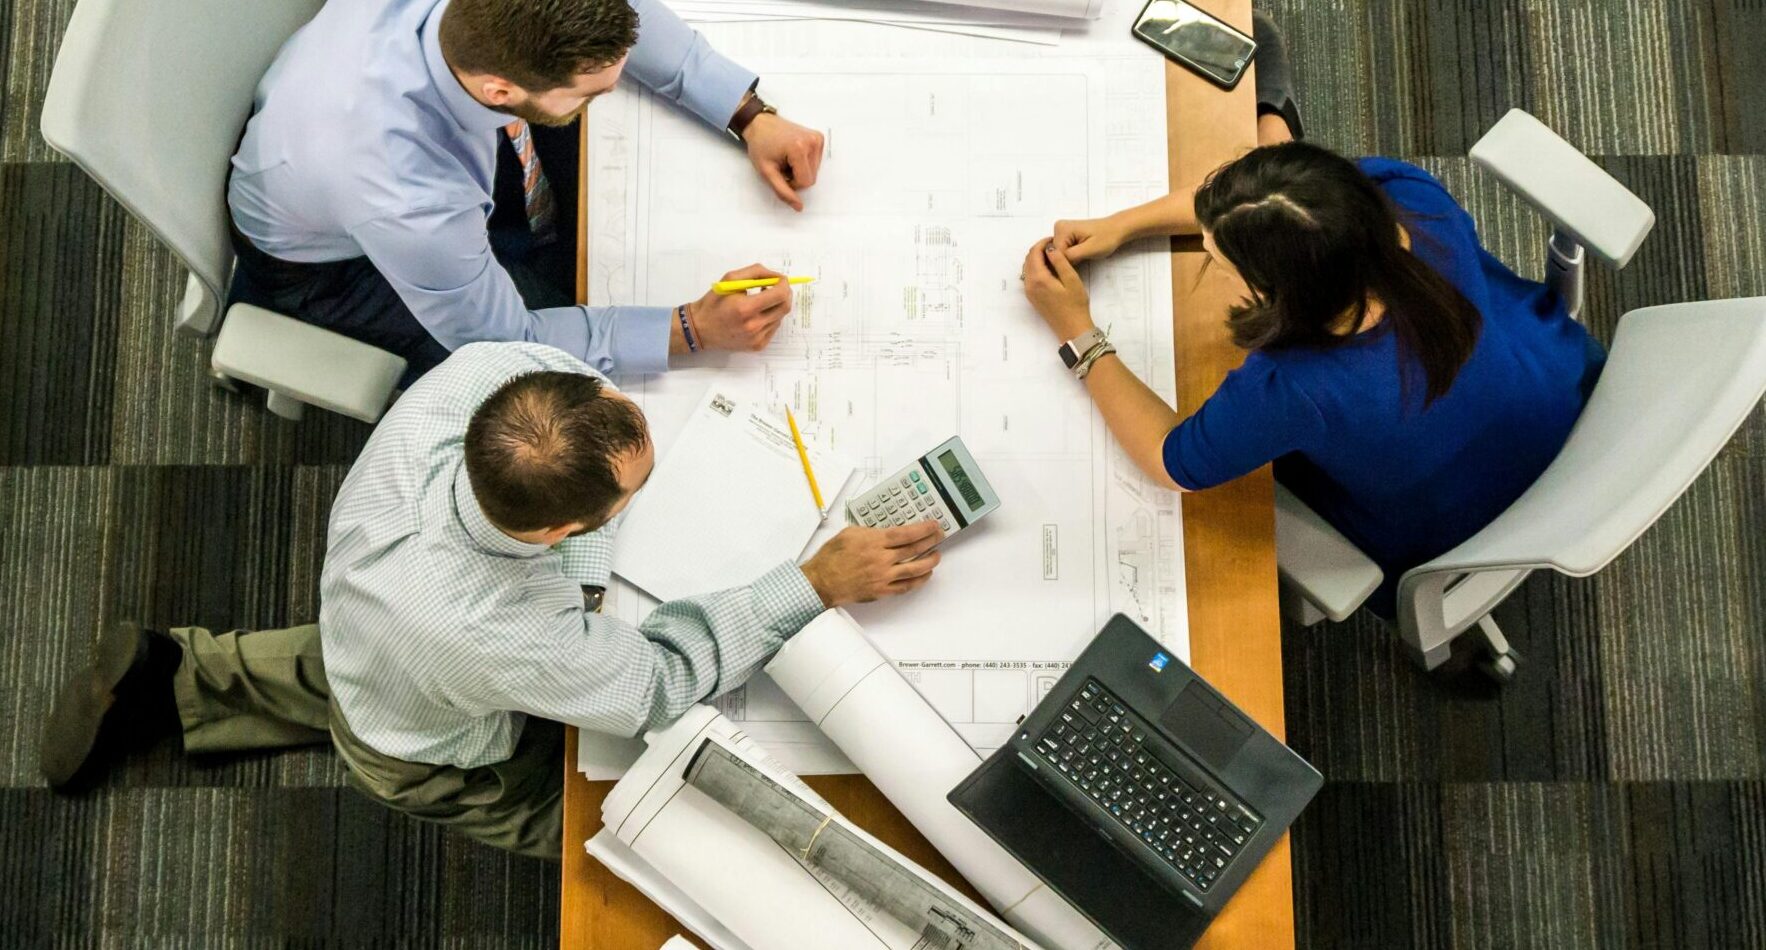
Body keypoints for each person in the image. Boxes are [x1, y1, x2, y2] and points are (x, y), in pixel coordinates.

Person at [40, 342, 945, 858]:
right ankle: (630, 843)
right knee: (615, 822)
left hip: (375, 615)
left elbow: (570, 408)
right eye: (631, 494)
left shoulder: (489, 379)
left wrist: (584, 568)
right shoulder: (500, 634)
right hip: (428, 743)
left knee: (365, 661)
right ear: (556, 531)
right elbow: (658, 685)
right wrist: (812, 582)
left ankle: (181, 674)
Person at [1017, 15, 1602, 617]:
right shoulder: (1401, 193)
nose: (1211, 263)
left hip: (1460, 523)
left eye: (1220, 261)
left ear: (1283, 294)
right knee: (1261, 45)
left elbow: (1174, 462)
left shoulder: (1294, 389)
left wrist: (1076, 331)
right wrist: (1123, 226)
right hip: (1561, 387)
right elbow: (1273, 203)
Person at [228, 0, 828, 380]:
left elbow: (623, 16)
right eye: (594, 90)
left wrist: (747, 113)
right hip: (331, 266)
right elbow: (506, 338)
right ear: (499, 92)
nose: (611, 92)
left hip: (353, 138)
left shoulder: (483, 44)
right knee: (540, 377)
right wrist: (691, 328)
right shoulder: (407, 193)